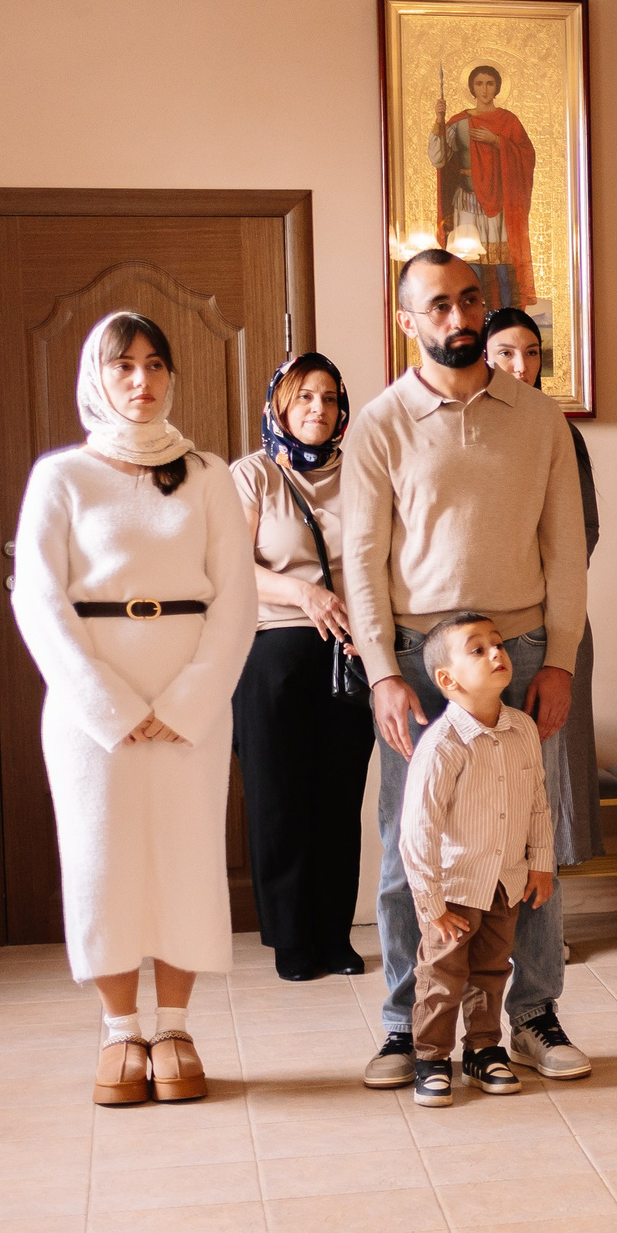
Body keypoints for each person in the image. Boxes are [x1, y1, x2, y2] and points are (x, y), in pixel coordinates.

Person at [344, 249, 591, 1091]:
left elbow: (568, 552)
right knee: (406, 845)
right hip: (422, 661)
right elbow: (363, 557)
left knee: (530, 841)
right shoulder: (379, 422)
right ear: (408, 322)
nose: (459, 317)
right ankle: (406, 1026)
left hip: (520, 652)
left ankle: (531, 1016)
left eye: (470, 300)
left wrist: (558, 659)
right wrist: (383, 671)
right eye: (438, 306)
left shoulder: (539, 417)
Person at [11, 313, 257, 1107]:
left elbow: (238, 602)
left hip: (193, 698)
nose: (141, 382)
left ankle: (177, 1024)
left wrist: (186, 700)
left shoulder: (210, 473)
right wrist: (110, 705)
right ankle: (121, 1031)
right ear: (97, 377)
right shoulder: (61, 476)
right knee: (102, 860)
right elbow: (40, 602)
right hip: (91, 713)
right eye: (124, 367)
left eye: (155, 365)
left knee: (185, 855)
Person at [230, 353, 376, 983]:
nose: (319, 409)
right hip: (274, 654)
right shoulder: (252, 475)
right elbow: (230, 566)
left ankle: (334, 935)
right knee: (279, 798)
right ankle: (292, 940)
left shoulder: (364, 473)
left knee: (339, 799)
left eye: (331, 399)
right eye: (305, 397)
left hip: (350, 655)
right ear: (280, 405)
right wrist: (307, 595)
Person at [398, 613, 556, 1109]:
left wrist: (541, 862)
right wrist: (430, 904)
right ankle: (430, 1057)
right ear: (447, 680)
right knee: (442, 978)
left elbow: (536, 799)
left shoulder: (523, 729)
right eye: (478, 649)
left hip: (503, 883)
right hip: (455, 889)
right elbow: (417, 830)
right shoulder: (443, 745)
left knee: (491, 971)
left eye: (497, 644)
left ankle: (484, 1049)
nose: (496, 653)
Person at [481, 307, 603, 873]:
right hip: (475, 627)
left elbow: (582, 533)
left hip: (553, 617)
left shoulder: (558, 428)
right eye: (507, 352)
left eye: (532, 353)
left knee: (552, 766)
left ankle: (547, 916)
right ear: (483, 355)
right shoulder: (466, 420)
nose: (521, 365)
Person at [431, 64, 537, 312]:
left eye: (490, 83)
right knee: (472, 263)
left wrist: (497, 141)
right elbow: (439, 158)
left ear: (497, 87)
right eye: (479, 83)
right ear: (472, 88)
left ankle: (507, 317)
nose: (485, 89)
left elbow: (526, 155)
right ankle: (473, 314)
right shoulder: (458, 122)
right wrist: (439, 120)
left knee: (502, 265)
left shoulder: (508, 121)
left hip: (499, 203)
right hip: (466, 201)